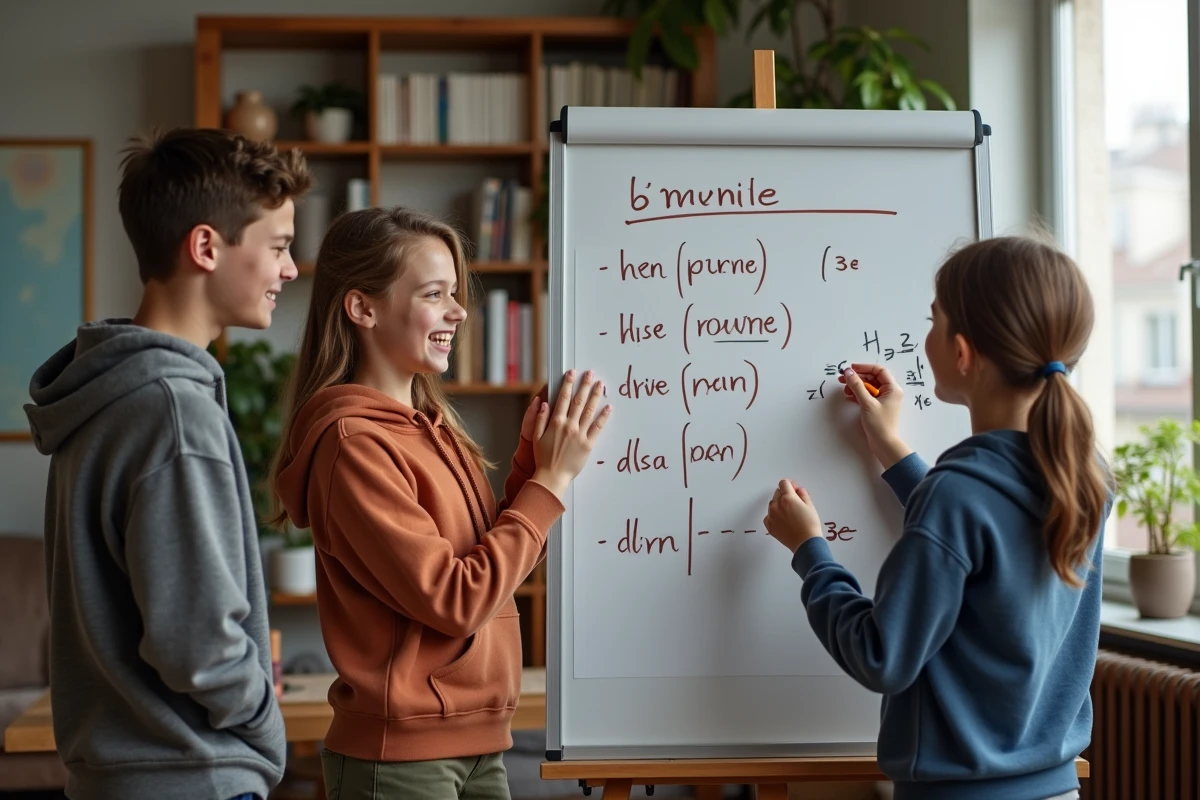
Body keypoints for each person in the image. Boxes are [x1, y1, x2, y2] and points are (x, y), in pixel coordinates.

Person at [270, 206, 610, 799]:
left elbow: (484, 562)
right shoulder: (354, 446)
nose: (458, 312)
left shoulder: (432, 426)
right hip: (400, 757)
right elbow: (456, 599)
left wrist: (532, 465)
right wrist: (549, 484)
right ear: (362, 308)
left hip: (476, 741)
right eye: (434, 293)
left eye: (456, 293)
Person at [763, 235, 1110, 800]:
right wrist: (894, 452)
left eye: (933, 319)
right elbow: (987, 537)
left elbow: (883, 657)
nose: (925, 335)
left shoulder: (957, 494)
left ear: (963, 353)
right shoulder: (1085, 473)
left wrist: (811, 553)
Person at [24, 127, 311, 800]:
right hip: (189, 776)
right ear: (207, 246)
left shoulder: (104, 395)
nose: (290, 269)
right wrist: (269, 731)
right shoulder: (172, 409)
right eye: (277, 247)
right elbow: (198, 644)